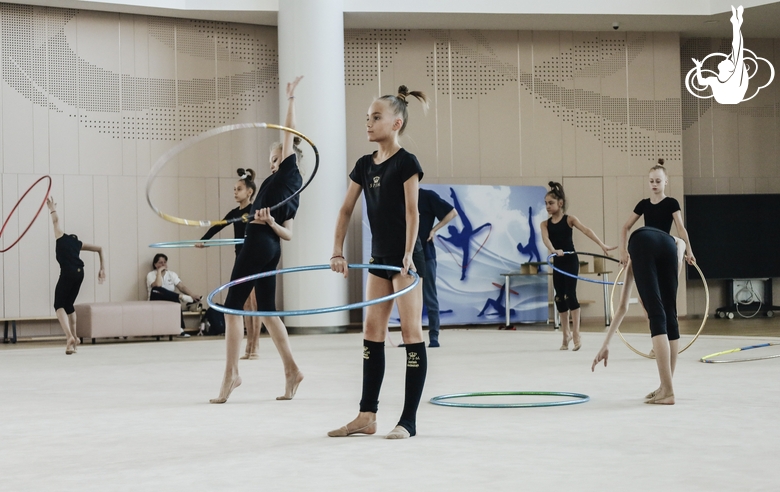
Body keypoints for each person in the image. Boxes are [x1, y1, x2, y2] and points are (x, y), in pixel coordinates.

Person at [328, 85, 428, 439]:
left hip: (406, 259)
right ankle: (366, 415)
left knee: (411, 332)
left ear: (396, 123)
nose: (368, 123)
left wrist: (407, 253)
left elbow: (413, 212)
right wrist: (337, 251)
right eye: (367, 118)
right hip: (379, 259)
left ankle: (408, 421)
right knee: (372, 331)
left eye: (376, 117)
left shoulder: (406, 162)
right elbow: (344, 210)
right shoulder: (363, 164)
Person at [209, 75, 305, 404]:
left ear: (289, 158)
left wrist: (291, 99)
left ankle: (231, 374)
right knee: (267, 310)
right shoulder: (288, 186)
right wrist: (273, 222)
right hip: (272, 246)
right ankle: (292, 370)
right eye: (271, 161)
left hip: (257, 243)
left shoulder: (289, 172)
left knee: (232, 308)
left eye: (276, 159)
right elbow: (288, 233)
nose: (272, 164)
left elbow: (289, 133)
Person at [592, 161, 696, 404]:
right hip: (670, 248)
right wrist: (686, 251)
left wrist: (606, 343)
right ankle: (665, 385)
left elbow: (622, 308)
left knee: (656, 313)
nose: (654, 185)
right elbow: (679, 234)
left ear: (665, 182)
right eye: (651, 181)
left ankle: (667, 390)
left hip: (644, 242)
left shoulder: (669, 205)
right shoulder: (644, 205)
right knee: (669, 312)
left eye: (658, 181)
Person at [540, 182, 615, 351]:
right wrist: (553, 250)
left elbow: (587, 230)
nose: (547, 206)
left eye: (550, 203)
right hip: (557, 261)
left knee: (570, 296)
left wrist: (602, 245)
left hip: (570, 261)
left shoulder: (569, 219)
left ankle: (576, 333)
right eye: (545, 203)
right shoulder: (545, 224)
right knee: (559, 297)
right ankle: (565, 334)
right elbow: (546, 239)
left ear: (560, 203)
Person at [196, 168, 262, 359]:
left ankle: (254, 345)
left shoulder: (255, 210)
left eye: (239, 189)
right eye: (234, 189)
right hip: (240, 258)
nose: (235, 192)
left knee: (253, 303)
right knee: (245, 304)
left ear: (249, 192)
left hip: (254, 257)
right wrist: (204, 240)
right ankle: (249, 346)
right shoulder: (234, 212)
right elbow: (218, 225)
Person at [46, 196, 106, 355]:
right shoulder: (78, 244)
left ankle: (69, 337)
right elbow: (100, 248)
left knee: (58, 306)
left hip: (69, 272)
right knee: (69, 306)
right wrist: (102, 269)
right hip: (80, 273)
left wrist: (52, 208)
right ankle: (74, 341)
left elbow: (55, 222)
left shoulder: (61, 237)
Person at [417, 187, 457, 347]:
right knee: (409, 301)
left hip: (426, 254)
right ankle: (410, 337)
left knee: (429, 296)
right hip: (405, 256)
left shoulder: (426, 196)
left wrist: (434, 230)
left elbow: (452, 212)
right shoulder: (399, 197)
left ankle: (434, 336)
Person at [438, 187, 491, 281]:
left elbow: (474, 232)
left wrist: (484, 226)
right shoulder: (455, 238)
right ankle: (454, 197)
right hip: (465, 234)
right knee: (460, 212)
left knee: (460, 212)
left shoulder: (455, 237)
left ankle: (454, 197)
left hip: (466, 231)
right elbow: (473, 232)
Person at [146, 253, 201, 337]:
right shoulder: (151, 274)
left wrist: (192, 295)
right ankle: (181, 297)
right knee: (156, 290)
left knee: (174, 298)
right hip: (156, 300)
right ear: (155, 264)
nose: (163, 264)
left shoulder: (172, 274)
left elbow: (182, 287)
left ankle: (180, 329)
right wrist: (159, 272)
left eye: (165, 262)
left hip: (170, 299)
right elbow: (158, 285)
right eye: (160, 262)